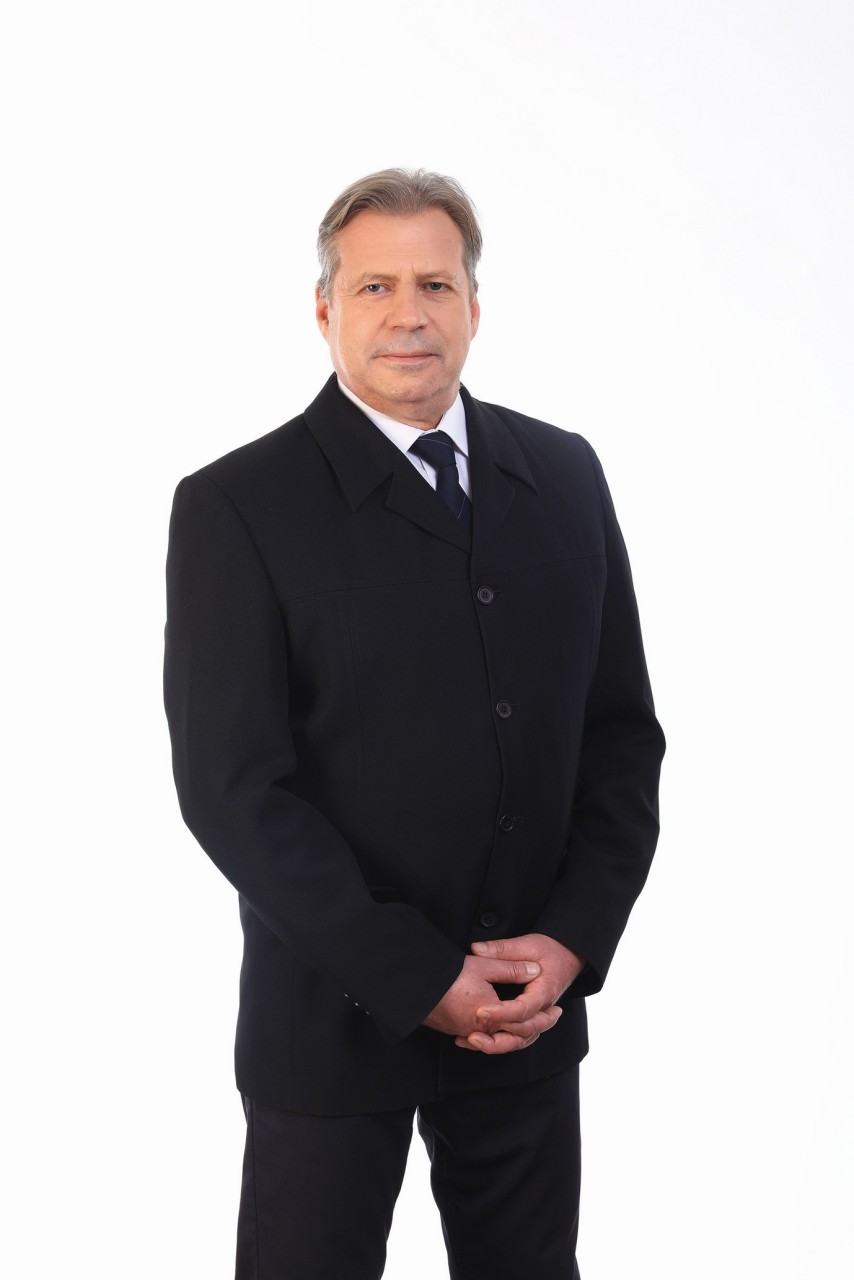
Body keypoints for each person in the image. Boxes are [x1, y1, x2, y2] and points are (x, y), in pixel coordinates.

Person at [164, 167, 665, 1280]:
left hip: (526, 1012)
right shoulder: (237, 505)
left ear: (474, 305)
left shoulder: (565, 473)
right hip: (329, 1022)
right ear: (324, 309)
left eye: (435, 284)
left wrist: (572, 939)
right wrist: (414, 975)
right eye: (375, 285)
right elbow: (233, 791)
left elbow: (621, 736)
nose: (409, 313)